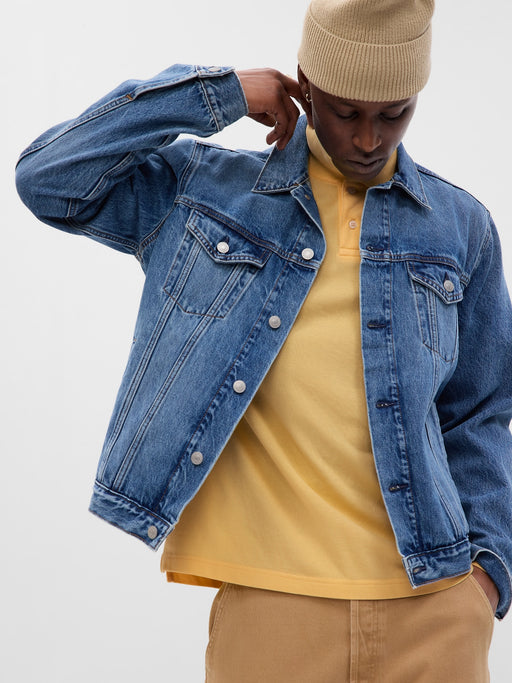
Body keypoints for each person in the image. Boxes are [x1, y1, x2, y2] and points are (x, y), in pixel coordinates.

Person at [15, 0, 512, 680]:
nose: (369, 138)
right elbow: (49, 177)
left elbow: (479, 412)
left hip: (434, 602)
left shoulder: (460, 226)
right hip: (272, 605)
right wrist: (219, 93)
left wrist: (487, 574)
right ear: (305, 83)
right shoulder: (207, 192)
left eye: (394, 113)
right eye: (346, 112)